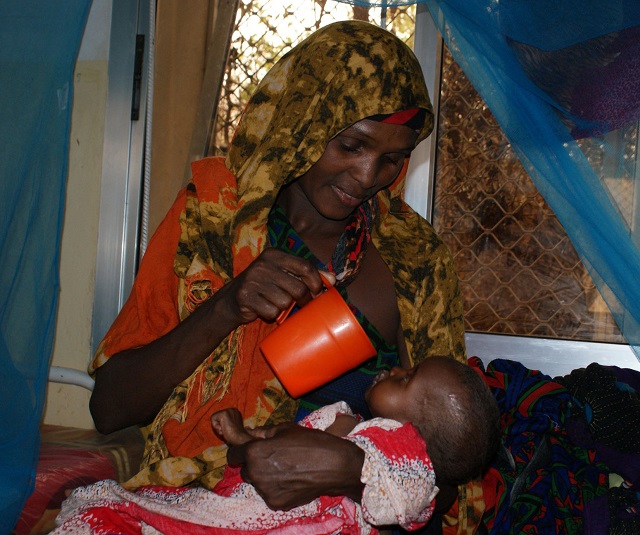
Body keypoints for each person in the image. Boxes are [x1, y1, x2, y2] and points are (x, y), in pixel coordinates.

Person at [86, 19, 477, 532]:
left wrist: (355, 473)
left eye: (391, 160)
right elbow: (110, 408)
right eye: (351, 146)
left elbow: (455, 464)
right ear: (303, 122)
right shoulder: (211, 221)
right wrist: (226, 308)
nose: (366, 177)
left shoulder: (414, 261)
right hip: (194, 507)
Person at [55, 357, 501, 534]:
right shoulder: (342, 417)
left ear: (415, 436)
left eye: (406, 379)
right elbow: (263, 455)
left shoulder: (404, 460)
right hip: (240, 510)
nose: (393, 369)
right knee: (115, 514)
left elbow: (411, 498)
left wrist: (354, 469)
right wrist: (240, 436)